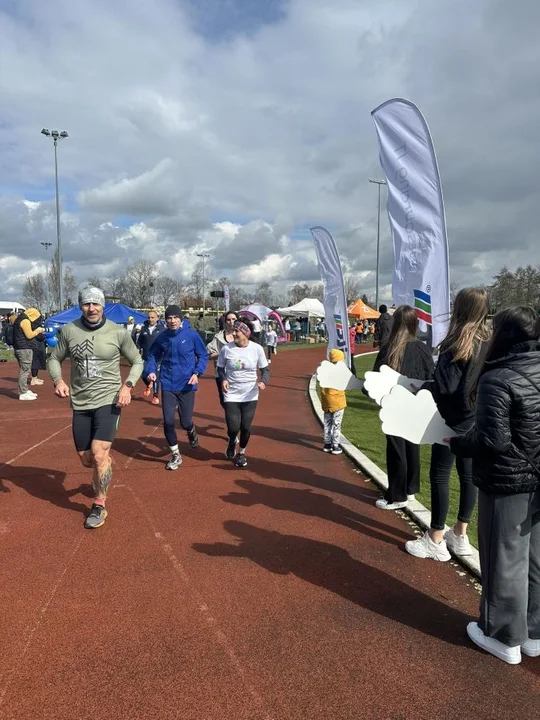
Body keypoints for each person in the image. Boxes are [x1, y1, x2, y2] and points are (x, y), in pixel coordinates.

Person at [449, 306, 540, 665]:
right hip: (535, 477)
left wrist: (454, 442)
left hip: (508, 480)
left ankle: (502, 634)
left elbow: (493, 441)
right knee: (534, 557)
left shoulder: (497, 377)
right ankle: (533, 630)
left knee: (504, 558)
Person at [48, 287, 144, 529]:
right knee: (86, 459)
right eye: (86, 304)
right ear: (80, 306)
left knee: (99, 453)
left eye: (96, 304)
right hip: (80, 402)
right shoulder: (69, 331)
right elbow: (53, 358)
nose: (91, 308)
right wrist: (58, 380)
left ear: (103, 306)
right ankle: (102, 466)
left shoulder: (118, 332)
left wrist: (127, 386)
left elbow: (137, 361)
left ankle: (99, 503)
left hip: (109, 400)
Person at [406, 288, 490, 562]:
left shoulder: (457, 342)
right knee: (468, 477)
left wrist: (423, 386)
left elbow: (446, 386)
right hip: (476, 418)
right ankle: (460, 533)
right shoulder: (489, 340)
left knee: (441, 475)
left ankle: (436, 538)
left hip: (451, 418)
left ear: (460, 308)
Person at [372, 305, 434, 509]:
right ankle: (410, 489)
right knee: (411, 446)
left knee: (397, 450)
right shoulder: (423, 349)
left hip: (395, 405)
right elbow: (430, 379)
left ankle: (398, 495)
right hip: (414, 404)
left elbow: (374, 378)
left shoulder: (390, 348)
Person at [145, 304, 208, 470]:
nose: (172, 321)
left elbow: (202, 355)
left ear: (181, 319)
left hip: (187, 384)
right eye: (169, 318)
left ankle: (191, 430)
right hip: (167, 383)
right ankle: (175, 454)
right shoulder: (162, 337)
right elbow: (152, 355)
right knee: (168, 421)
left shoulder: (192, 335)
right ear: (165, 320)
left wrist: (197, 373)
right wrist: (151, 370)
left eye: (175, 318)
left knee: (186, 421)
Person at [217, 319, 269, 467]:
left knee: (246, 427)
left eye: (236, 331)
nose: (233, 333)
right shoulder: (227, 349)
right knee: (233, 427)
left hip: (250, 393)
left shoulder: (257, 349)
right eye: (232, 330)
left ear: (246, 333)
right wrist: (224, 379)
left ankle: (242, 453)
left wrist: (263, 382)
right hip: (231, 393)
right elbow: (220, 368)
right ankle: (232, 440)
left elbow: (265, 369)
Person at [12, 307, 45, 400]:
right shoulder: (25, 320)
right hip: (24, 348)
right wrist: (38, 331)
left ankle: (24, 390)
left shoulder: (19, 319)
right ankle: (23, 392)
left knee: (24, 370)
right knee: (25, 371)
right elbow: (29, 335)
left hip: (20, 348)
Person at [206, 311, 237, 406]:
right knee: (225, 401)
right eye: (228, 319)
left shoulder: (244, 336)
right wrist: (222, 354)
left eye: (234, 319)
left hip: (238, 372)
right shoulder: (218, 337)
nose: (231, 322)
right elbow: (209, 355)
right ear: (225, 322)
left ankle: (236, 419)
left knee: (238, 400)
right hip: (222, 373)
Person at [137, 310, 165, 405]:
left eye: (152, 317)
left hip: (157, 357)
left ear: (157, 318)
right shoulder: (144, 329)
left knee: (155, 376)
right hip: (146, 356)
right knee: (142, 374)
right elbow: (139, 342)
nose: (150, 319)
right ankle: (149, 384)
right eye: (149, 317)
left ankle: (155, 395)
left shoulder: (162, 329)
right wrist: (137, 349)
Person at [320, 349, 346, 454]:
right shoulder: (341, 372)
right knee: (337, 424)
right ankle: (335, 445)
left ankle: (327, 444)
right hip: (338, 402)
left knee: (327, 423)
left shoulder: (325, 371)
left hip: (327, 402)